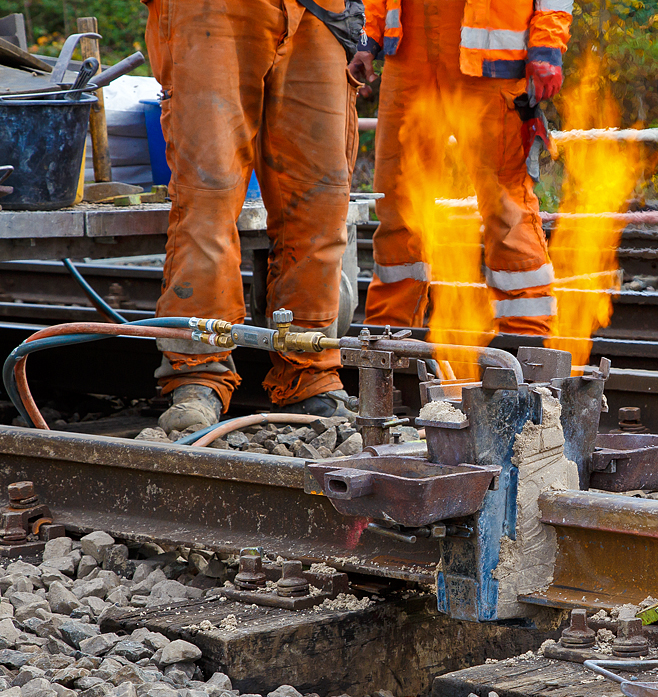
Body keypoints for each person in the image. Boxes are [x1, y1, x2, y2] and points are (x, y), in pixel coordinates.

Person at [144, 0, 360, 432]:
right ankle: (198, 374)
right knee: (209, 195)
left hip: (321, 11)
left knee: (320, 201)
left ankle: (309, 374)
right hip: (211, 8)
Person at [348, 0, 572, 337]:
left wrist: (547, 43)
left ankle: (528, 339)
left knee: (506, 208)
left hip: (491, 60)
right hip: (410, 52)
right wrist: (366, 35)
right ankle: (389, 337)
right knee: (399, 205)